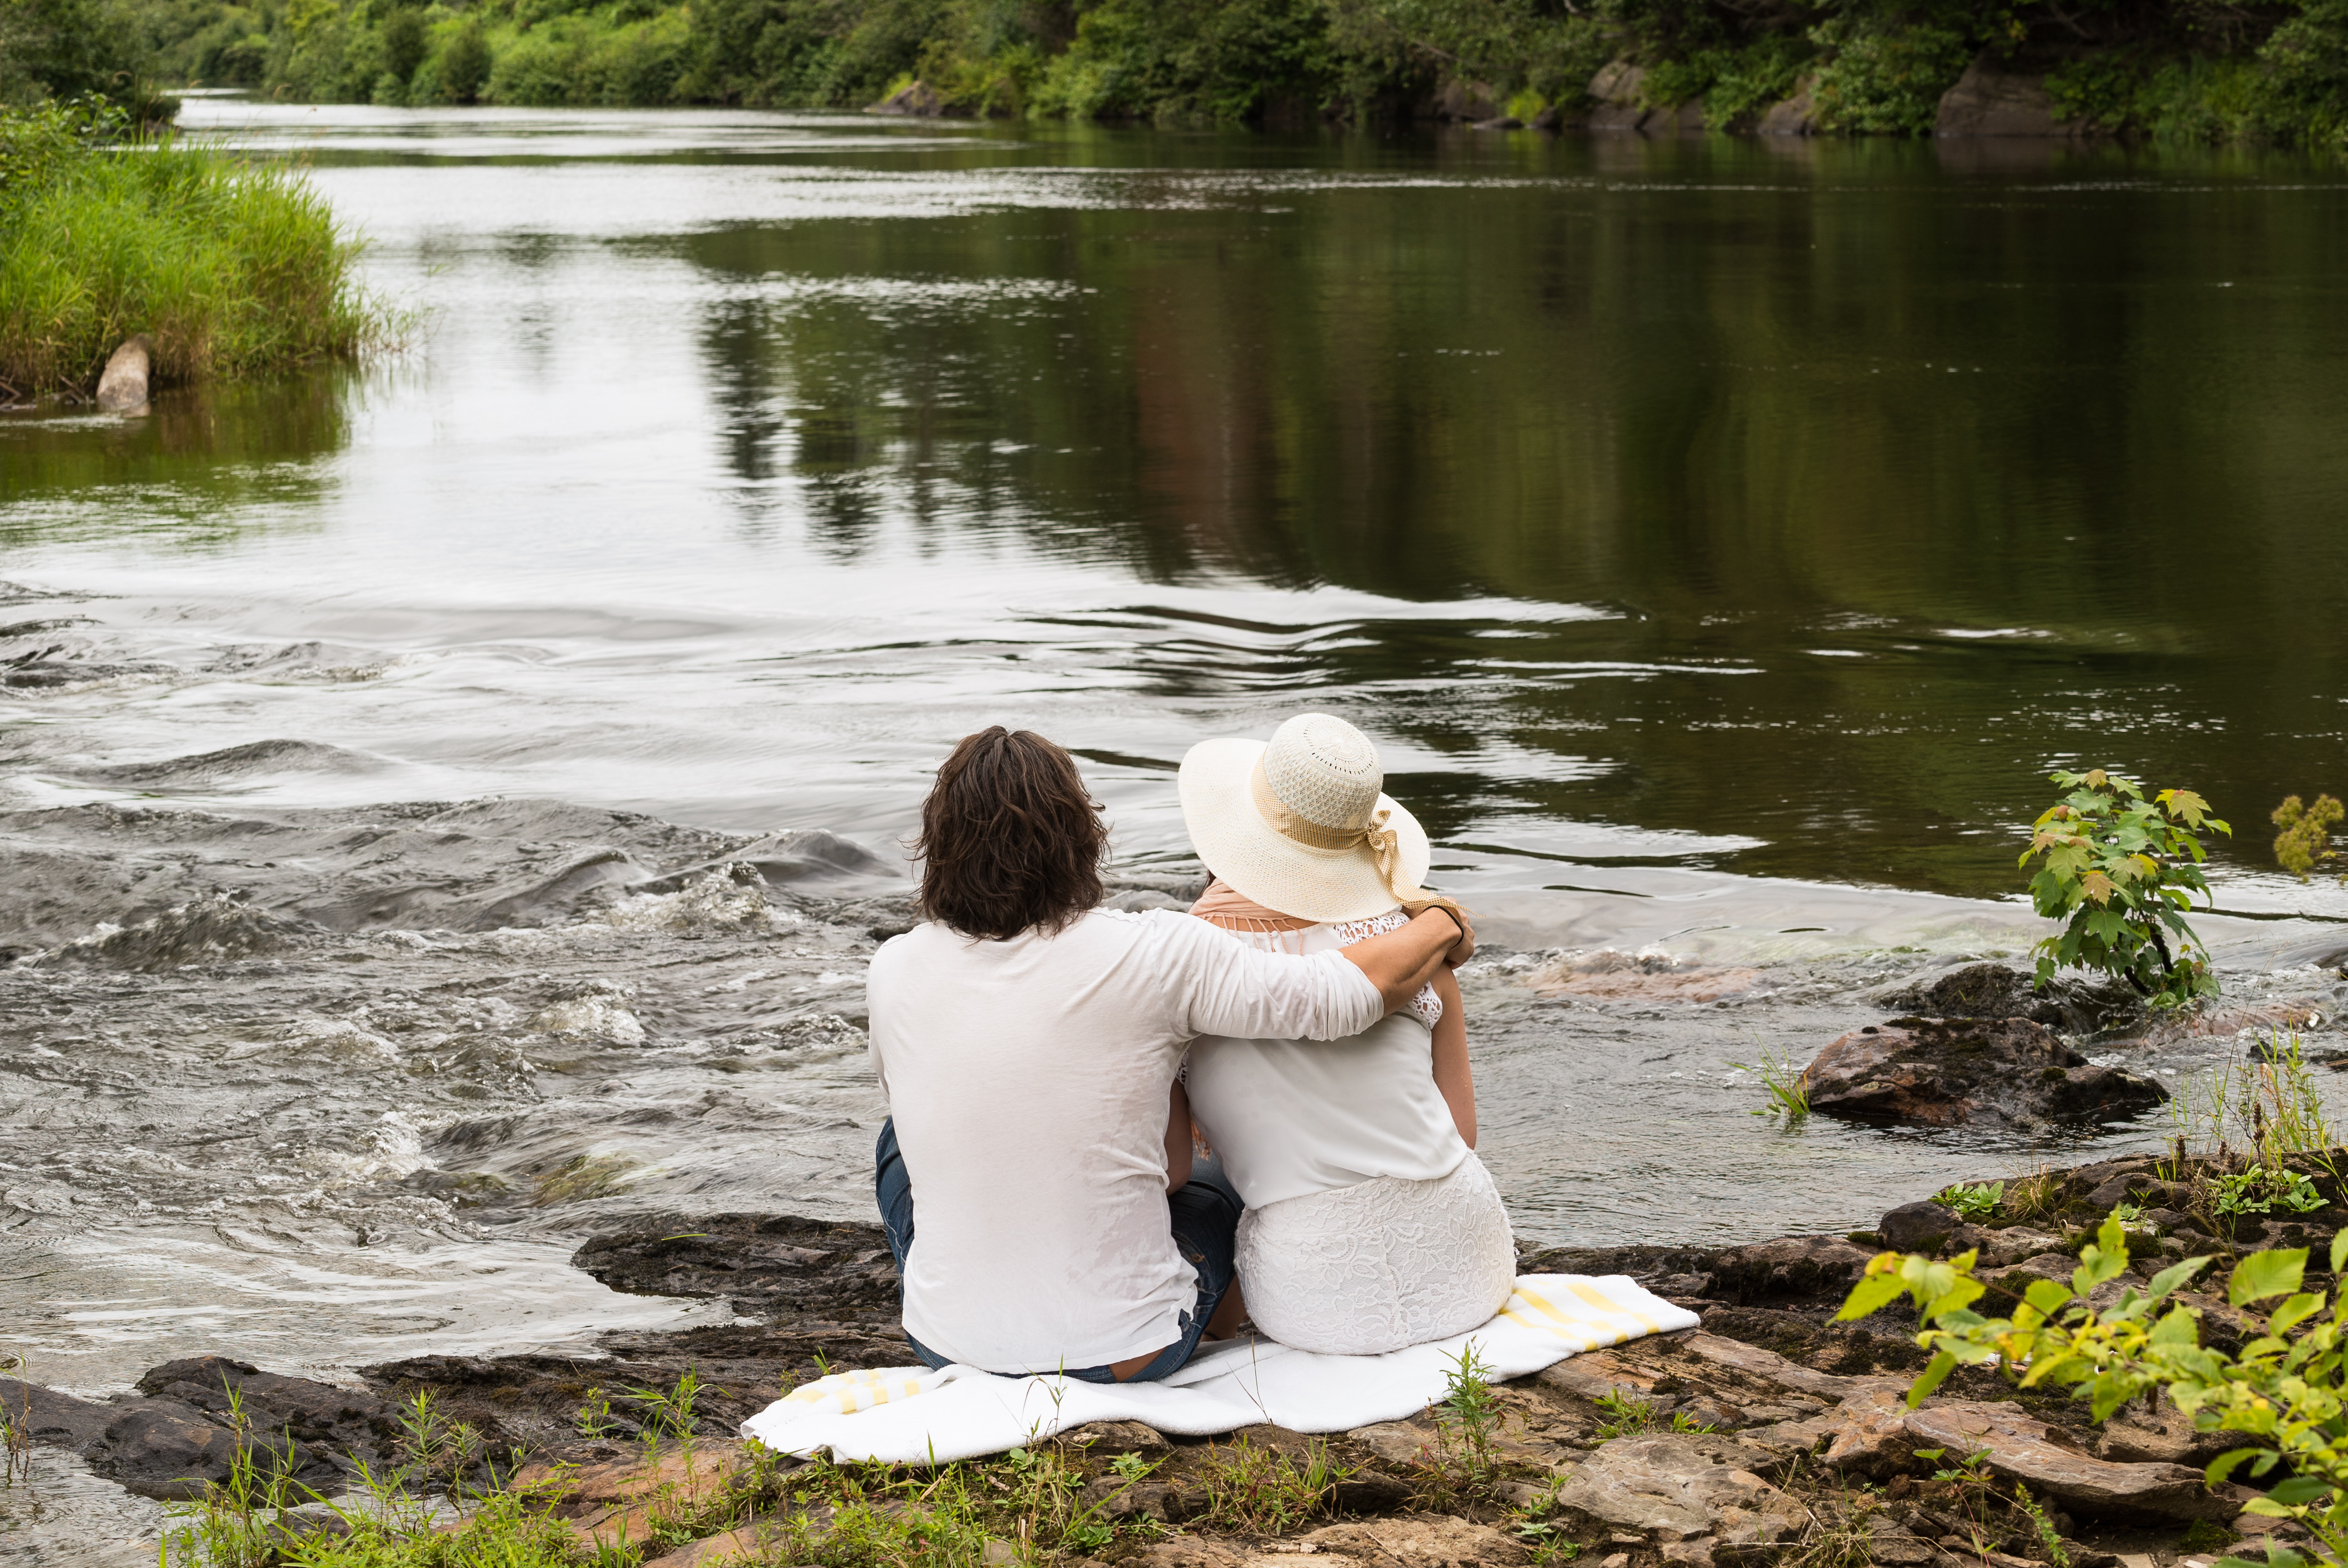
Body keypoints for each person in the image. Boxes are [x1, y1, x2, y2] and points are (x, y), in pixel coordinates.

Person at [867, 725, 1472, 1382]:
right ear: (1081, 837)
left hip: (946, 1344)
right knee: (1217, 1180)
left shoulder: (891, 967)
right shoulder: (1154, 950)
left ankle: (976, 1301)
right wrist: (1441, 922)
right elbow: (1339, 998)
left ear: (938, 848)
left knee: (899, 1141)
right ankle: (1213, 1317)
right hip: (1132, 1352)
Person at [1175, 712, 1516, 1356]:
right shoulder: (1420, 956)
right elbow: (1460, 1134)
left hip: (1315, 1306)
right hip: (1469, 1276)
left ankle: (1215, 1318)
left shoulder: (1182, 970)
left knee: (1214, 1168)